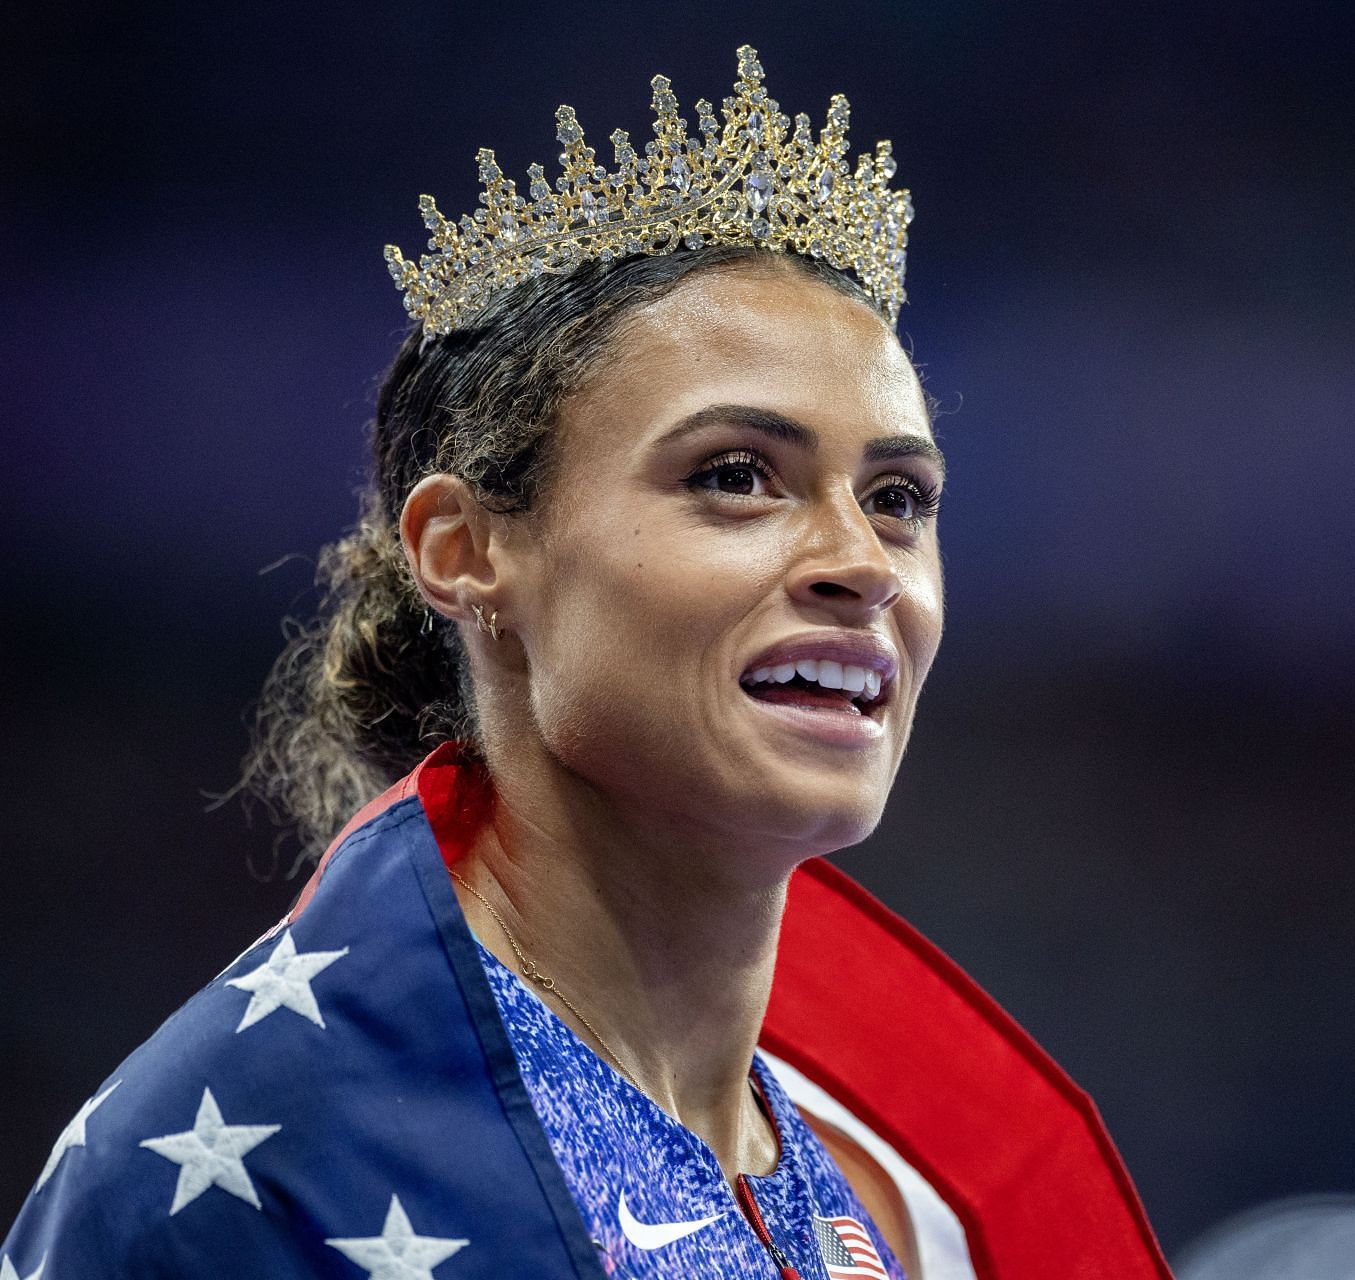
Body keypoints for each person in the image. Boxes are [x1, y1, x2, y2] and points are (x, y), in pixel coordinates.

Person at [3, 46, 1168, 1280]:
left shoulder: (869, 1205)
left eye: (897, 497)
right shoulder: (248, 1171)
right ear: (467, 550)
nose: (863, 562)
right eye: (734, 476)